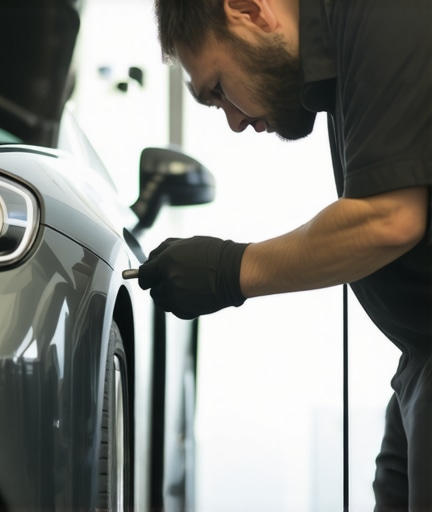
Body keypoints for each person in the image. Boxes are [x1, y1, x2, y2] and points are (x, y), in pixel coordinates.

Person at [137, 0, 432, 510]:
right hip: (419, 358)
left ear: (249, 10)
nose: (231, 121)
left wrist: (230, 270)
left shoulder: (379, 12)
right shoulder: (348, 45)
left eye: (218, 89)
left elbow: (389, 218)